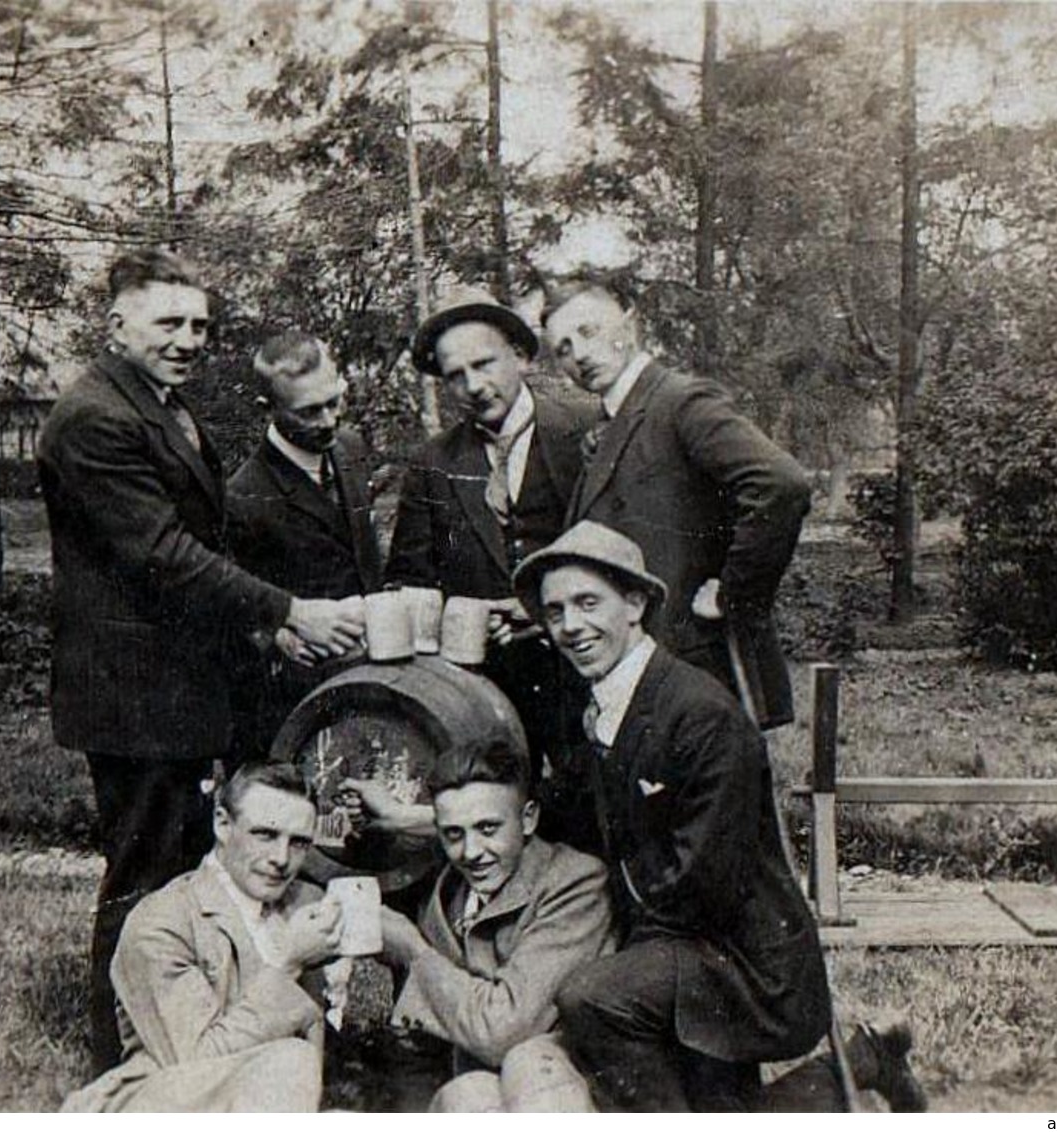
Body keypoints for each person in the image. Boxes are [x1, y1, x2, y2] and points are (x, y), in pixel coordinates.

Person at [36, 248, 365, 1070]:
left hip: (176, 682)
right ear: (117, 325)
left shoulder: (160, 406)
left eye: (200, 326)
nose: (188, 339)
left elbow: (197, 553)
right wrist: (286, 607)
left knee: (183, 868)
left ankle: (190, 1034)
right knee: (146, 872)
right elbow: (162, 554)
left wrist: (263, 631)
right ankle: (121, 1056)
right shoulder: (94, 418)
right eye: (168, 322)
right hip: (134, 690)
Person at [512, 521, 925, 1112]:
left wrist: (623, 959)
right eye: (555, 612)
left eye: (587, 603)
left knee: (592, 997)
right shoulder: (604, 706)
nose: (571, 626)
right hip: (683, 947)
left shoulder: (698, 713)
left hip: (747, 964)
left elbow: (705, 879)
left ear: (635, 604)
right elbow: (567, 814)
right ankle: (865, 1060)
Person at [541, 277, 811, 728]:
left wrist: (733, 595)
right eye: (564, 349)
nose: (580, 355)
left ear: (628, 325)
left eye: (588, 332)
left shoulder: (679, 400)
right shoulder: (607, 421)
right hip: (643, 668)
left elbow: (780, 485)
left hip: (696, 665)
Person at [386, 287, 593, 777]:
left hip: (582, 671)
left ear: (520, 357)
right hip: (486, 690)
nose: (473, 385)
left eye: (484, 364)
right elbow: (410, 577)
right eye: (455, 376)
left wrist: (543, 609)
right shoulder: (433, 464)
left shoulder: (585, 432)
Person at [61, 763, 343, 1112]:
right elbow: (196, 1060)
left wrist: (410, 950)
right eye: (265, 835)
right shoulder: (164, 921)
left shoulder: (303, 903)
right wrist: (288, 964)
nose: (281, 859)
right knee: (290, 1060)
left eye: (298, 842)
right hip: (164, 1104)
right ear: (223, 824)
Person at [377, 738, 614, 1112]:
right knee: (467, 1095)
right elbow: (417, 1048)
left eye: (488, 829)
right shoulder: (445, 898)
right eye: (454, 834)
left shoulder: (574, 883)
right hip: (483, 1086)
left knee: (529, 1063)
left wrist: (415, 952)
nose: (471, 853)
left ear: (529, 819)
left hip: (565, 1086)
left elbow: (503, 1030)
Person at [227, 330, 384, 755]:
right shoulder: (243, 496)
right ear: (268, 409)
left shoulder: (350, 449)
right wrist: (277, 632)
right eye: (309, 412)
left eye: (334, 402)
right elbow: (232, 604)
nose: (329, 421)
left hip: (373, 674)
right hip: (295, 694)